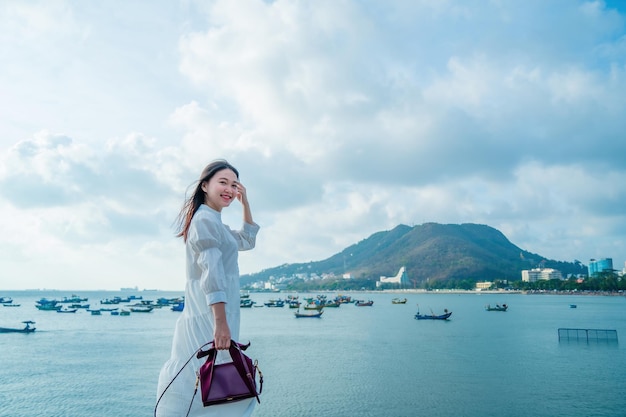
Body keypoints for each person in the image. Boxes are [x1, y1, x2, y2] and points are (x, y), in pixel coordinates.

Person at [156, 159, 260, 417]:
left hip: (218, 313)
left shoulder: (216, 223)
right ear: (205, 185)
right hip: (209, 314)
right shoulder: (204, 220)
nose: (229, 189)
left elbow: (247, 240)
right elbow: (211, 275)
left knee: (215, 378)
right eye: (223, 182)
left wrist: (245, 203)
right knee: (204, 377)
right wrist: (220, 323)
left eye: (234, 185)